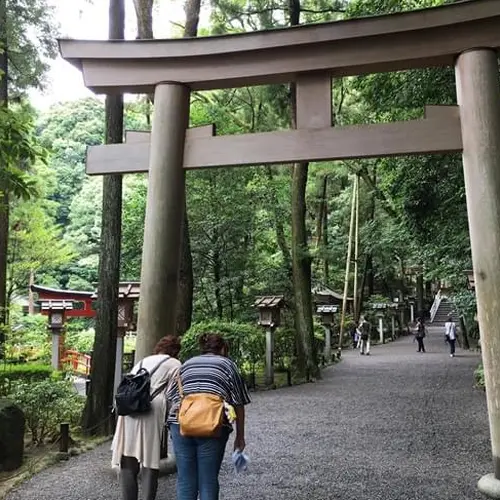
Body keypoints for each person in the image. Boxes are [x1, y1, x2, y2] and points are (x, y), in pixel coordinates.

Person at [167, 332, 251, 500]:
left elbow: (171, 396)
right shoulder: (227, 365)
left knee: (185, 480)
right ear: (222, 348)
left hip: (181, 424)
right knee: (208, 480)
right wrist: (240, 437)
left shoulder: (186, 365)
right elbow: (238, 403)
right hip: (212, 423)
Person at [111, 335, 181, 500]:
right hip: (151, 409)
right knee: (150, 457)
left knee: (128, 455)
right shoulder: (175, 364)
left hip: (129, 408)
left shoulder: (143, 361)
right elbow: (175, 394)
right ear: (175, 351)